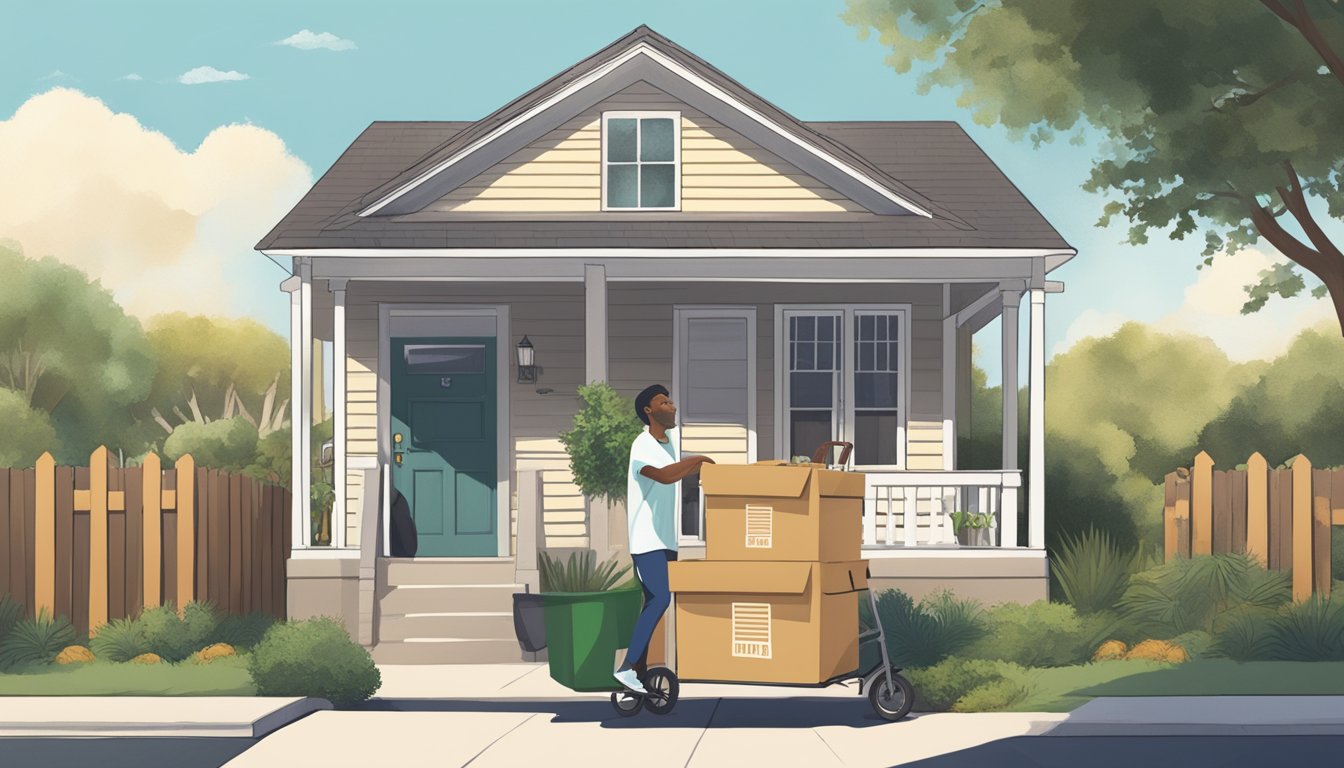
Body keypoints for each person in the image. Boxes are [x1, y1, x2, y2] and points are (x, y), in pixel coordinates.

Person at [613, 384, 714, 694]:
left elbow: (673, 469)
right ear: (649, 410)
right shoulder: (641, 444)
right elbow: (664, 475)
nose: (672, 406)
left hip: (667, 540)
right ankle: (628, 667)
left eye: (671, 401)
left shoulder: (668, 443)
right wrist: (697, 460)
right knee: (660, 598)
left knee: (654, 602)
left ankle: (640, 673)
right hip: (647, 540)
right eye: (664, 402)